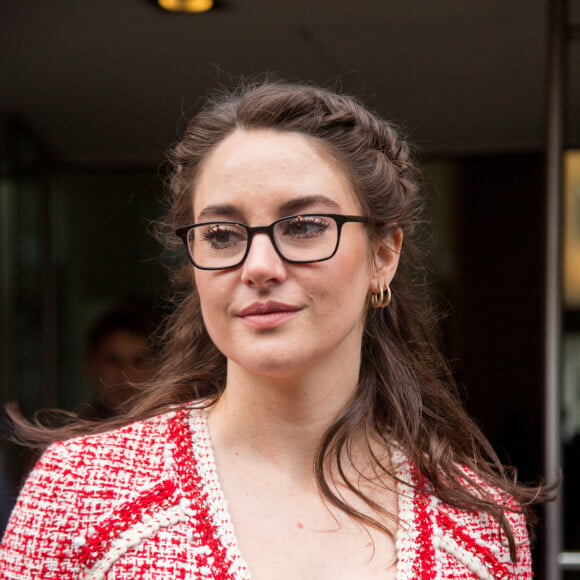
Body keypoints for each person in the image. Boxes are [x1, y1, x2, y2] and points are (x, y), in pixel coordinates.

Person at [0, 80, 551, 579]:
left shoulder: (479, 527)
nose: (258, 265)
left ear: (384, 255)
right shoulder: (83, 489)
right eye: (221, 234)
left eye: (306, 226)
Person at [83, 306, 156, 418]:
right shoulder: (75, 435)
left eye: (139, 362)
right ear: (92, 364)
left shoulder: (175, 431)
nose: (126, 375)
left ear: (156, 366)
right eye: (114, 361)